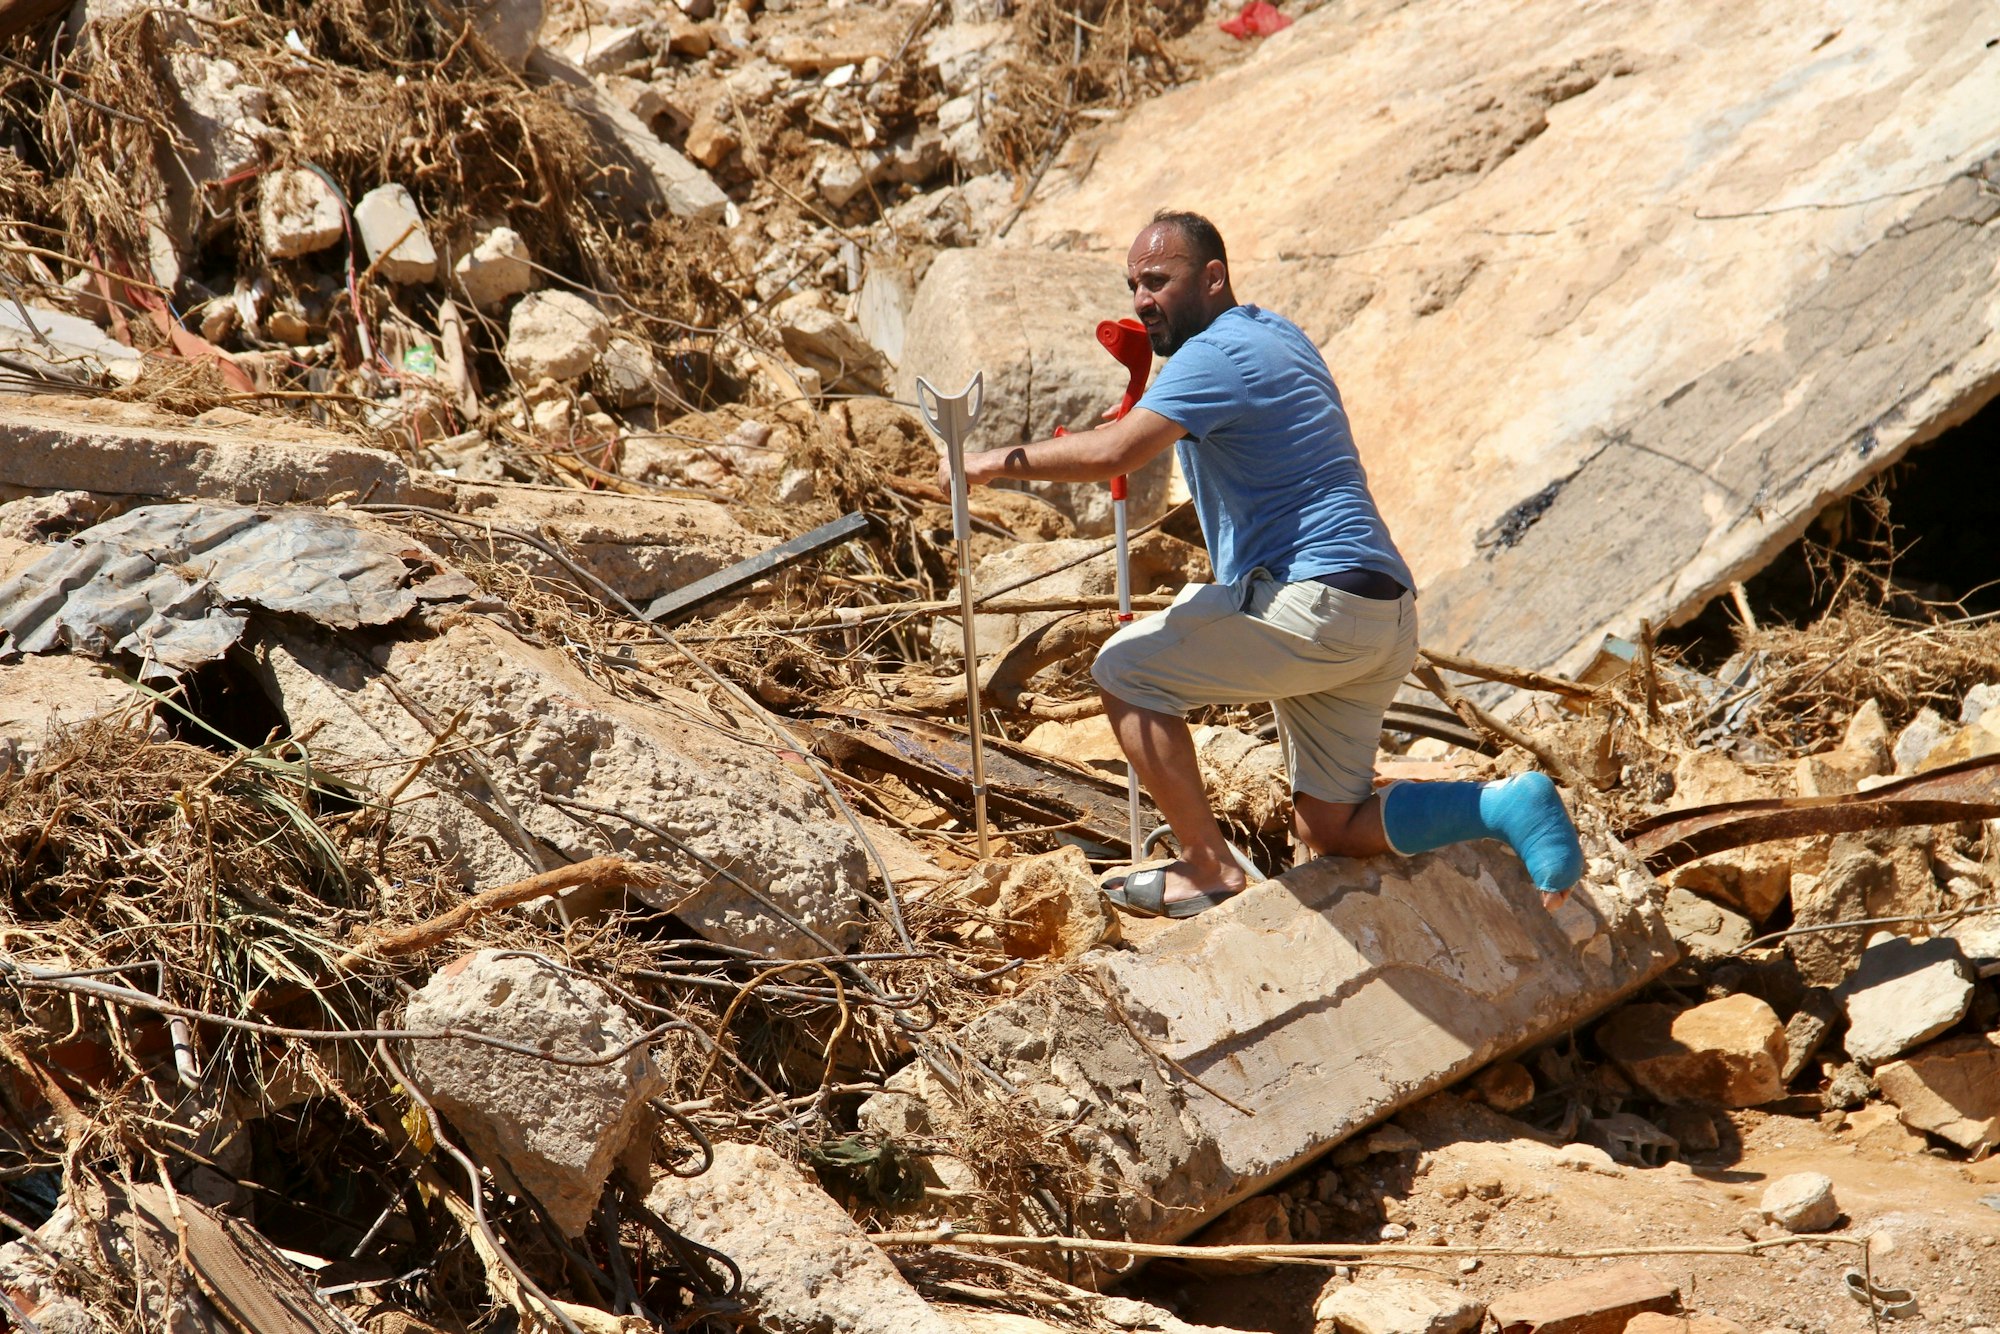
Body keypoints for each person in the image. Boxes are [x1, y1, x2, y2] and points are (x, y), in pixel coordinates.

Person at [942, 209, 1584, 918]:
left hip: (1314, 603)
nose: (1140, 300)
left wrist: (985, 463)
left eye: (1158, 280)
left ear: (1212, 277)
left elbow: (1115, 455)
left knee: (1125, 672)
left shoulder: (1211, 356)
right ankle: (1506, 807)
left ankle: (1208, 866)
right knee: (1329, 827)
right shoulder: (1277, 334)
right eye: (1132, 284)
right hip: (1381, 613)